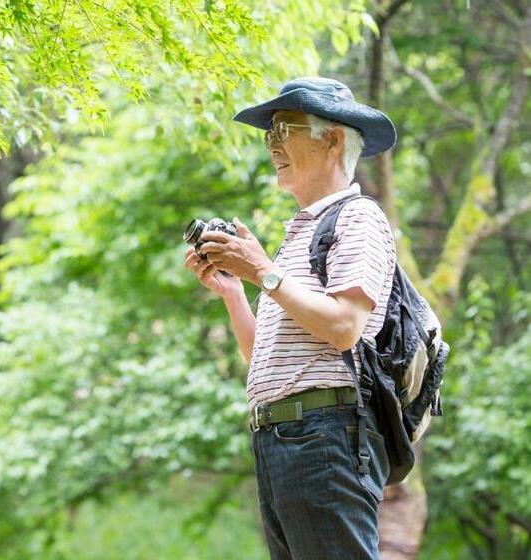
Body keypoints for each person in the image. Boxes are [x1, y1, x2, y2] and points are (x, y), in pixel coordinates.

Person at [183, 77, 398, 559]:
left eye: (286, 130)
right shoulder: (300, 233)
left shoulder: (357, 217)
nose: (274, 145)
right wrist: (235, 292)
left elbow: (345, 327)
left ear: (333, 138)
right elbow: (268, 359)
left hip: (324, 435)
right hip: (283, 439)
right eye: (270, 134)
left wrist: (262, 270)